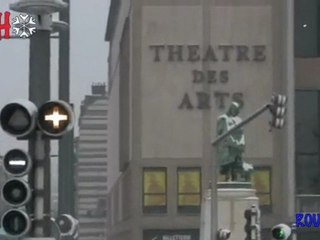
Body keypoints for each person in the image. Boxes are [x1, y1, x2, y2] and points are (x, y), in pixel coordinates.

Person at [217, 102, 252, 181]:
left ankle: (235, 178)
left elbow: (241, 133)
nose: (234, 110)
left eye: (236, 109)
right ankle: (227, 178)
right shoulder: (224, 118)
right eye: (233, 108)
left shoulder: (239, 120)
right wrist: (230, 142)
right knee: (227, 164)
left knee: (236, 165)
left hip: (237, 147)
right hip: (227, 146)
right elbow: (223, 132)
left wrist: (241, 144)